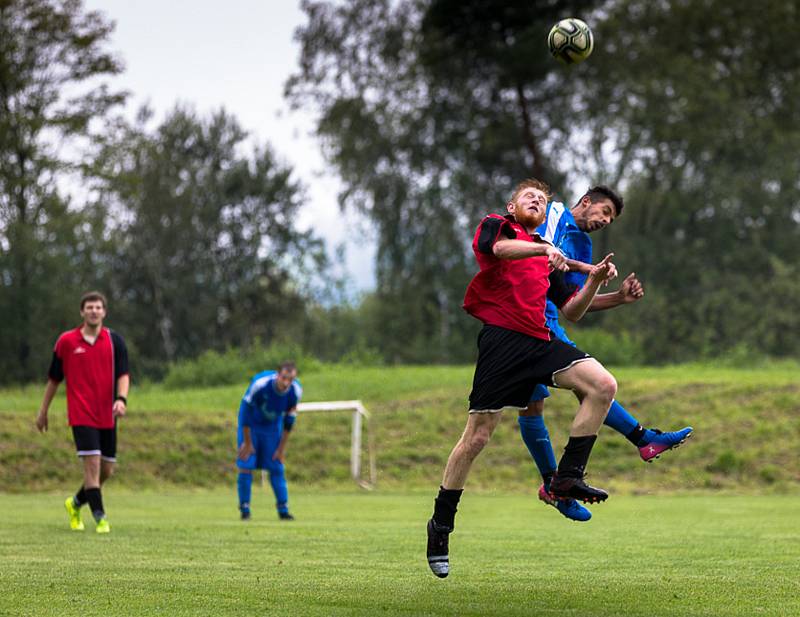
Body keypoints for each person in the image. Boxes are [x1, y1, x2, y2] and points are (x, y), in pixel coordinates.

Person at [426, 179, 619, 578]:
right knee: (477, 437)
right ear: (512, 207)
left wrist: (596, 279)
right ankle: (441, 524)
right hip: (502, 343)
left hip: (540, 341)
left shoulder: (550, 257)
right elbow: (500, 250)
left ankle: (566, 479)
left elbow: (572, 310)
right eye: (529, 197)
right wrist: (546, 249)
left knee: (602, 385)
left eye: (544, 201)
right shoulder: (499, 227)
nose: (538, 201)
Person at [518, 187, 693, 522]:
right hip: (521, 319)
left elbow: (573, 308)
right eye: (605, 212)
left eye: (611, 219)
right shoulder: (552, 214)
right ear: (586, 201)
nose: (605, 221)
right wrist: (587, 270)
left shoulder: (583, 245)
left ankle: (560, 484)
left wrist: (618, 298)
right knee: (545, 402)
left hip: (547, 322)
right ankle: (639, 441)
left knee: (584, 390)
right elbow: (540, 251)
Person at [36, 291, 129, 534]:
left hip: (107, 414)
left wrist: (121, 399)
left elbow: (124, 374)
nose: (94, 311)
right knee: (92, 467)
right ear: (82, 312)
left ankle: (75, 503)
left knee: (107, 470)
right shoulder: (66, 341)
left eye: (98, 307)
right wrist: (43, 411)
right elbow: (54, 379)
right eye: (89, 307)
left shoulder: (115, 341)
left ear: (104, 312)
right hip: (81, 414)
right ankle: (101, 518)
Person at [236, 362, 302, 521]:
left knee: (277, 466)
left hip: (272, 429)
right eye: (284, 378)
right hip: (251, 428)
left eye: (291, 379)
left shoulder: (295, 391)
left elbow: (289, 422)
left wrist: (281, 449)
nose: (287, 383)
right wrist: (247, 442)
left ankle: (283, 510)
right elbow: (244, 414)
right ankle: (245, 509)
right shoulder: (260, 385)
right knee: (246, 465)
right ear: (277, 374)